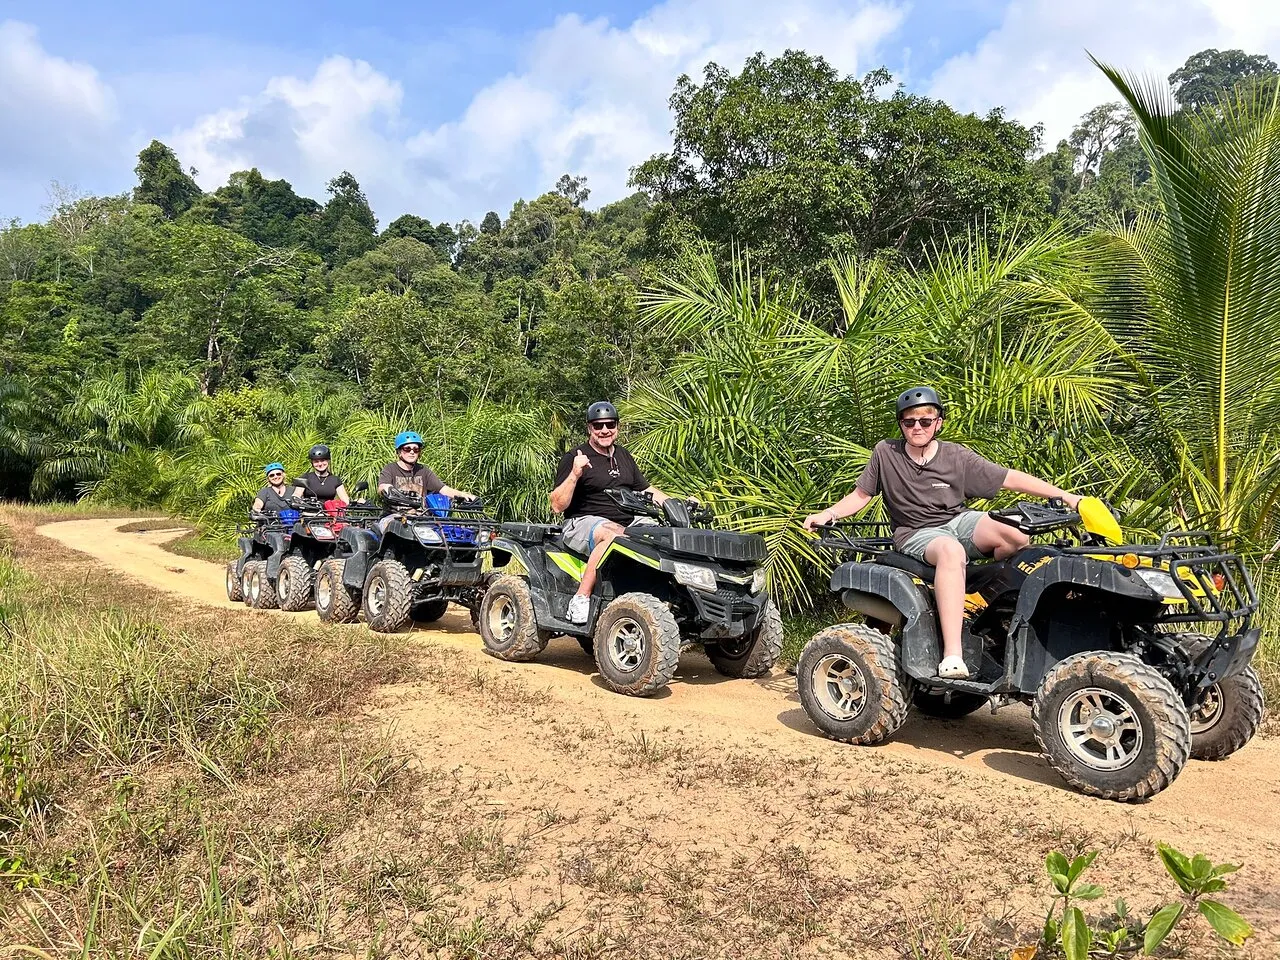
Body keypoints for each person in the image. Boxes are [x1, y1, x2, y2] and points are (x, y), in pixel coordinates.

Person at [802, 386, 1080, 680]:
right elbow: (860, 495)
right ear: (901, 424)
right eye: (909, 422)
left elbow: (1009, 478)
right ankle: (953, 654)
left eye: (925, 420)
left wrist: (1065, 496)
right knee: (950, 551)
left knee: (1016, 533)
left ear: (938, 422)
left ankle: (986, 598)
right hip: (915, 532)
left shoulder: (955, 455)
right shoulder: (886, 452)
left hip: (957, 521)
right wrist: (828, 514)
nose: (917, 427)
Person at [550, 401, 674, 624]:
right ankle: (581, 598)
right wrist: (575, 473)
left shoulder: (624, 456)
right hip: (583, 522)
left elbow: (646, 490)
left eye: (610, 424)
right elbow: (557, 505)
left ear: (617, 426)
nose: (605, 430)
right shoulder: (574, 456)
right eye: (598, 426)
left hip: (627, 521)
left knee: (663, 535)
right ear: (590, 428)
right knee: (614, 535)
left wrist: (676, 504)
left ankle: (665, 596)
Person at [376, 431, 476, 530]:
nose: (412, 452)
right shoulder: (390, 469)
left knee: (449, 530)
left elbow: (443, 489)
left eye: (416, 449)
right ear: (399, 452)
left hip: (420, 517)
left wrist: (463, 495)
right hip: (394, 516)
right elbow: (381, 487)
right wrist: (387, 488)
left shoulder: (423, 471)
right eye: (407, 449)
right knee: (395, 528)